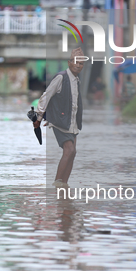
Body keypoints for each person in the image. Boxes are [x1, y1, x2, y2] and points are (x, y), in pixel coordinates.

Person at [34, 47, 85, 188]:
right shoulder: (61, 77)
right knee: (69, 150)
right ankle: (57, 183)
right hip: (60, 122)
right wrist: (39, 117)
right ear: (69, 63)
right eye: (76, 62)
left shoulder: (77, 80)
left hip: (72, 122)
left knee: (73, 152)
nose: (78, 66)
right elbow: (47, 95)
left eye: (81, 64)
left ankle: (64, 185)